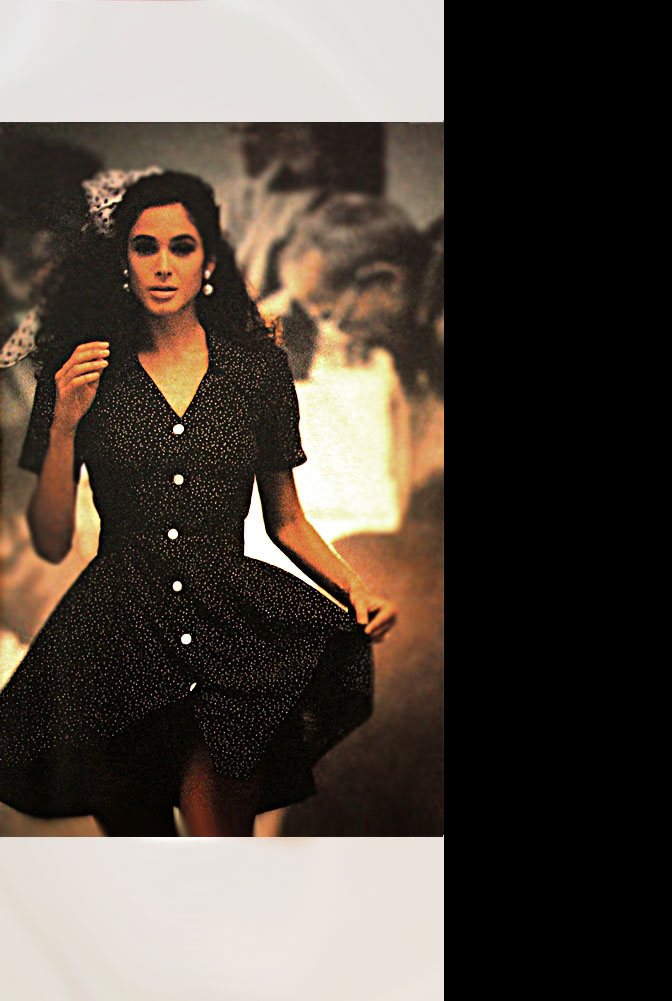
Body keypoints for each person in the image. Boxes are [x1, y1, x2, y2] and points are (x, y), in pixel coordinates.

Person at [0, 169, 397, 837]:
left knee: (223, 852)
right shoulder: (80, 369)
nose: (163, 265)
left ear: (209, 261)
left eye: (181, 247)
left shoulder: (257, 371)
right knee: (145, 857)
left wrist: (355, 587)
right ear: (122, 260)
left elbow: (287, 520)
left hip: (230, 634)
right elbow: (50, 536)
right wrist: (65, 423)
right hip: (116, 642)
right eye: (144, 247)